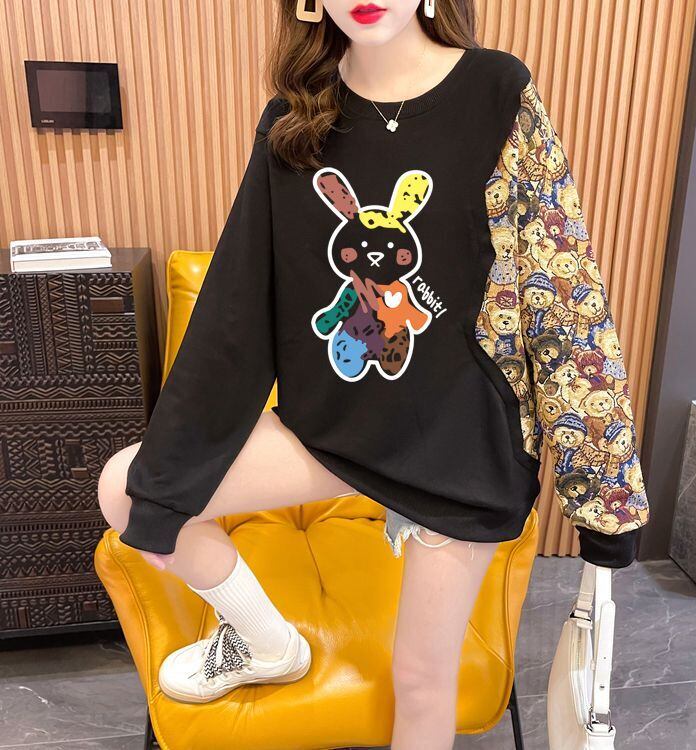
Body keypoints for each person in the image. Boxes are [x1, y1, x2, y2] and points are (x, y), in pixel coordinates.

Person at [97, 0, 650, 746]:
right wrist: (173, 475)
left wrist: (605, 497)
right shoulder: (295, 123)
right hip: (335, 433)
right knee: (127, 491)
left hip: (458, 444)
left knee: (421, 680)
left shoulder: (496, 92)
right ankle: (268, 645)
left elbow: (562, 287)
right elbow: (236, 305)